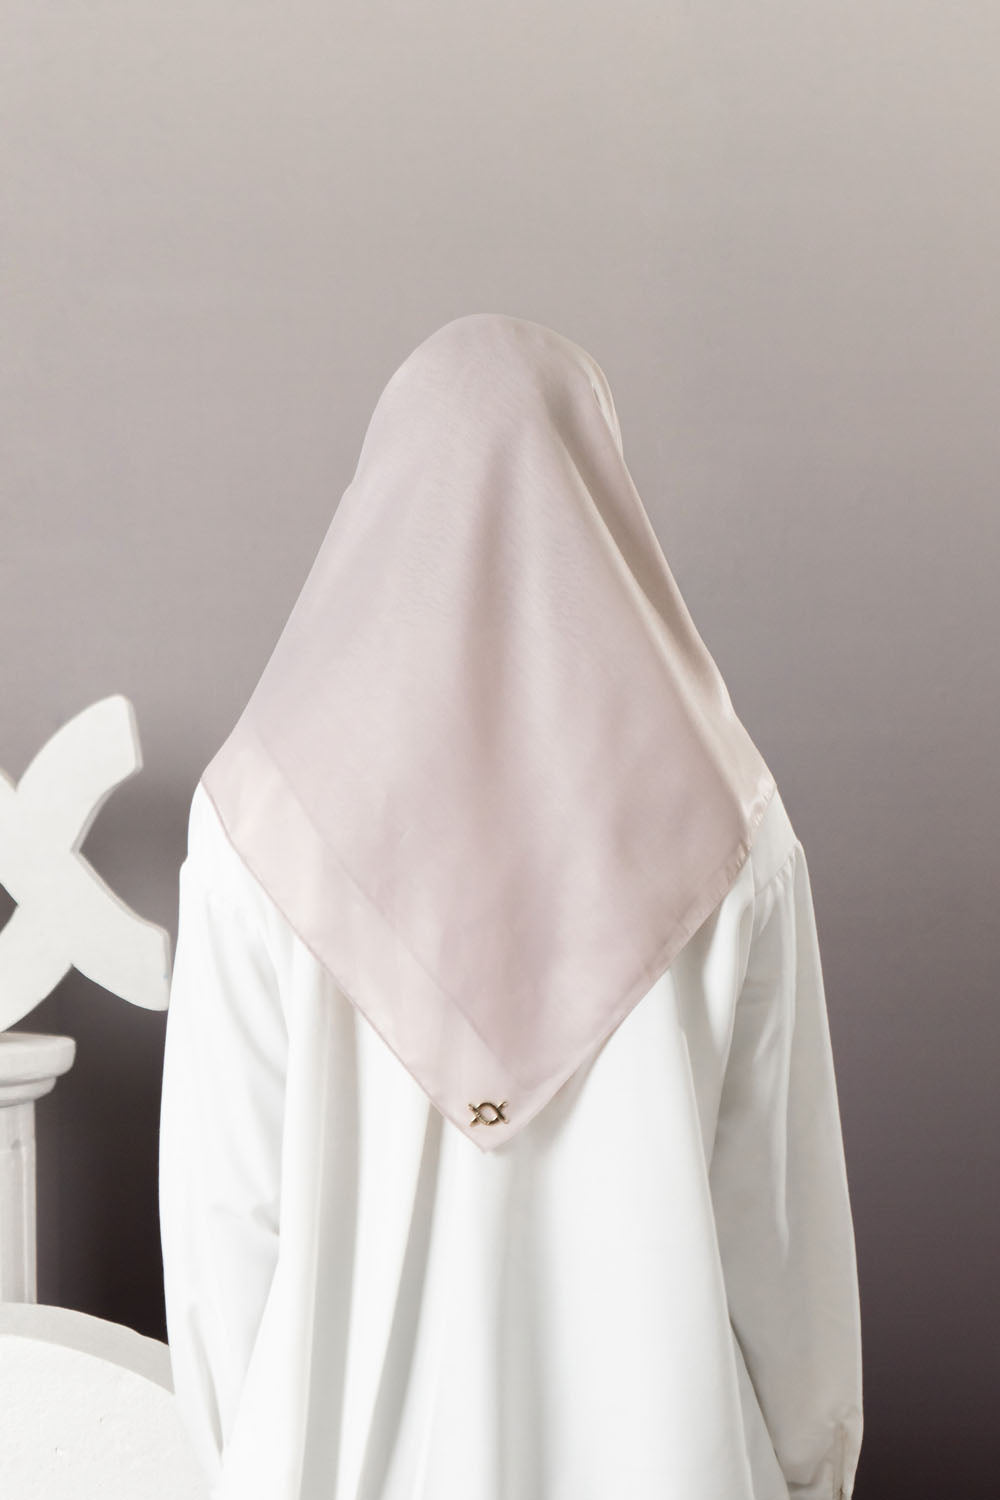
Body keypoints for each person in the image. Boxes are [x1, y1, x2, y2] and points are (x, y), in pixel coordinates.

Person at [158, 312, 863, 1500]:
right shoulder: (734, 825)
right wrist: (811, 1465)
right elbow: (778, 1227)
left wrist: (258, 1455)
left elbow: (226, 1219)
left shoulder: (252, 825)